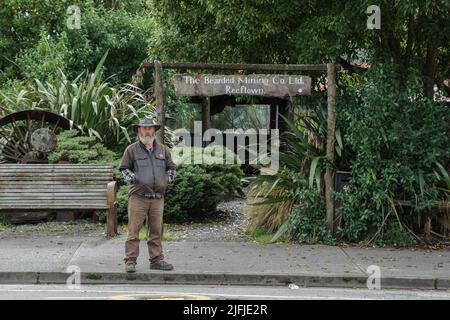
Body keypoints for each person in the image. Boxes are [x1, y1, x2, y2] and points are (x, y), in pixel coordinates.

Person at [119, 117, 176, 273]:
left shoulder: (163, 150)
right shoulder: (131, 150)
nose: (147, 131)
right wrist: (133, 179)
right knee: (133, 230)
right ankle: (130, 261)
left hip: (158, 198)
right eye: (144, 128)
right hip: (138, 197)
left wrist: (167, 179)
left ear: (154, 131)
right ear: (139, 130)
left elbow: (171, 168)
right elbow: (124, 168)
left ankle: (157, 260)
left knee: (156, 231)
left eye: (150, 128)